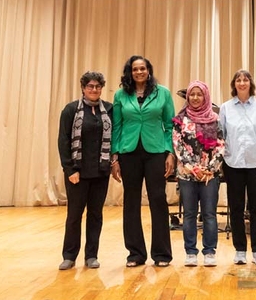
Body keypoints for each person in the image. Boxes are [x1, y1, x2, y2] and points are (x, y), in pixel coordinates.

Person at [110, 55, 176, 267]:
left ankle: (162, 254)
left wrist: (170, 152)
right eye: (135, 69)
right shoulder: (120, 94)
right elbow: (116, 126)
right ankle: (135, 253)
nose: (139, 72)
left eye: (142, 68)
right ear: (130, 72)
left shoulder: (163, 93)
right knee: (131, 201)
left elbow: (170, 125)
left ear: (149, 71)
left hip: (155, 151)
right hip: (128, 151)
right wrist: (114, 157)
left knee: (158, 199)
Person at [56, 71, 113, 270]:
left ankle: (91, 256)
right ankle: (69, 256)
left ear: (101, 88)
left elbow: (114, 137)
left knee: (96, 215)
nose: (94, 89)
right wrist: (69, 169)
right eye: (90, 86)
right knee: (74, 215)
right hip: (77, 173)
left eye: (98, 86)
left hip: (101, 172)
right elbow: (63, 141)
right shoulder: (71, 110)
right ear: (83, 88)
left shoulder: (109, 109)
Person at [220, 69, 256, 266]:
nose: (242, 83)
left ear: (251, 84)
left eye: (245, 80)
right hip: (232, 163)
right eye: (238, 80)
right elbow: (221, 136)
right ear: (234, 84)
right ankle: (240, 250)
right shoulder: (226, 108)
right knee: (236, 208)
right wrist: (221, 161)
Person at [172, 81, 225, 267]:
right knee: (189, 214)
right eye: (192, 94)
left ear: (205, 96)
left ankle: (209, 251)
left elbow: (221, 145)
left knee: (209, 214)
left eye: (199, 94)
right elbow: (177, 145)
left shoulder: (215, 119)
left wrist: (210, 168)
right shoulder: (181, 119)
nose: (195, 98)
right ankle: (190, 252)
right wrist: (193, 168)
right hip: (187, 175)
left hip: (209, 175)